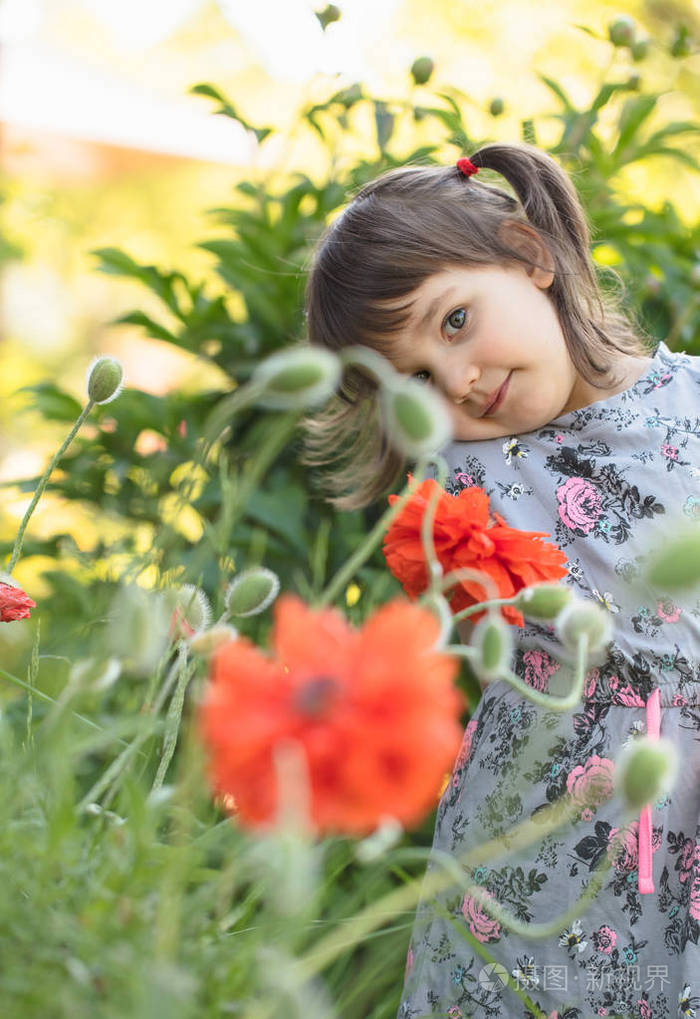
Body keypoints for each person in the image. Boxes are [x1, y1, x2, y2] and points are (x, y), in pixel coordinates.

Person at [302, 142, 700, 1018]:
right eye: (413, 381)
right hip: (537, 877)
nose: (458, 381)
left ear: (530, 254)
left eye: (454, 322)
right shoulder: (464, 487)